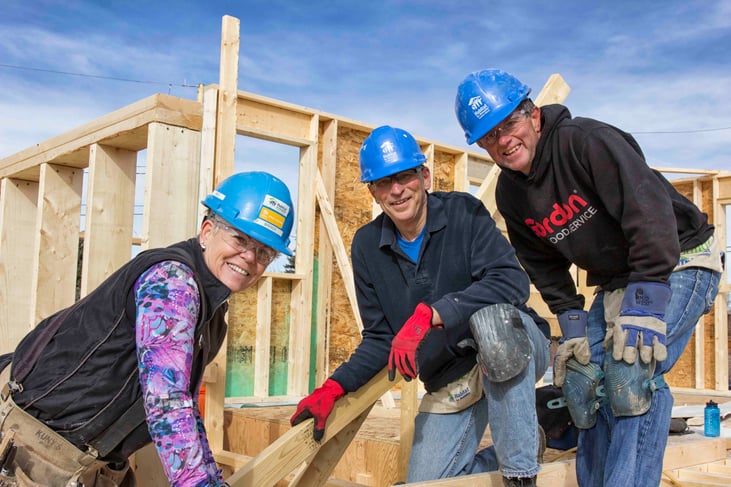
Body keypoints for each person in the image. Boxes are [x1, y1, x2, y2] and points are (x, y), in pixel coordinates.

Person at [455, 69, 724, 486]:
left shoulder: (585, 142)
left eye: (509, 124)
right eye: (489, 137)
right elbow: (544, 267)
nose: (503, 140)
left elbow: (648, 212)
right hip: (617, 279)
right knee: (582, 386)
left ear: (534, 116)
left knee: (632, 372)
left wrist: (647, 299)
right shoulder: (512, 194)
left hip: (677, 259)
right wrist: (574, 326)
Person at [290, 125, 551, 487]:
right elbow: (382, 338)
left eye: (404, 177)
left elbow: (511, 282)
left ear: (424, 176)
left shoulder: (463, 213)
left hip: (516, 346)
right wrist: (336, 387)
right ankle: (525, 446)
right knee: (423, 485)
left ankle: (521, 476)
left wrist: (433, 313)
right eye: (383, 183)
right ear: (373, 191)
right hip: (453, 375)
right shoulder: (367, 246)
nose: (396, 190)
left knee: (494, 325)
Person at [0, 171, 294, 487]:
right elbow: (166, 405)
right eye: (240, 239)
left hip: (83, 456)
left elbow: (185, 408)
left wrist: (211, 480)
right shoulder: (173, 283)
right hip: (31, 440)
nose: (249, 257)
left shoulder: (213, 314)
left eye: (264, 252)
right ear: (207, 232)